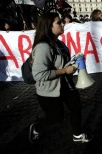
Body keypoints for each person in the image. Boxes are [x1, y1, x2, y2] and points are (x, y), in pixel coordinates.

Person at [28, 12, 92, 144]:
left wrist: (74, 62)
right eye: (59, 22)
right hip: (50, 92)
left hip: (66, 85)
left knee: (76, 108)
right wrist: (64, 70)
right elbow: (39, 75)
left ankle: (78, 134)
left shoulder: (60, 43)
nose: (63, 24)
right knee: (55, 119)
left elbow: (63, 63)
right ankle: (37, 127)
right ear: (48, 26)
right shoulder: (43, 47)